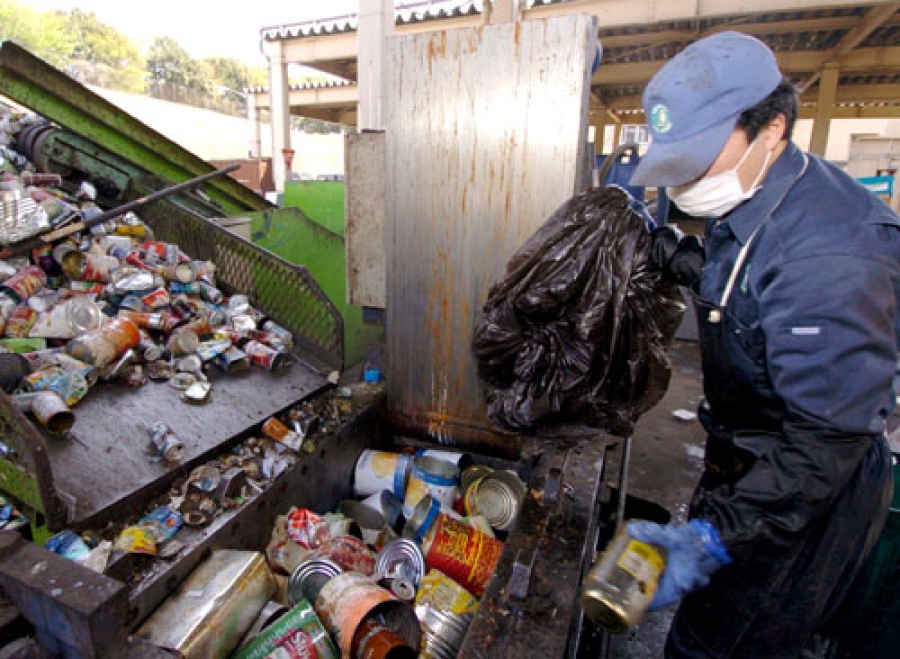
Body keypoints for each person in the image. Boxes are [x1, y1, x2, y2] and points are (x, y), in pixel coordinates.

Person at [625, 31, 899, 658]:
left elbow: (822, 450)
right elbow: (755, 290)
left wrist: (711, 537)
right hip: (748, 466)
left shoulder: (832, 254)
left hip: (801, 502)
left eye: (700, 155)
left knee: (722, 647)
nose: (686, 179)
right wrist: (684, 262)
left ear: (771, 129)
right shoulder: (762, 194)